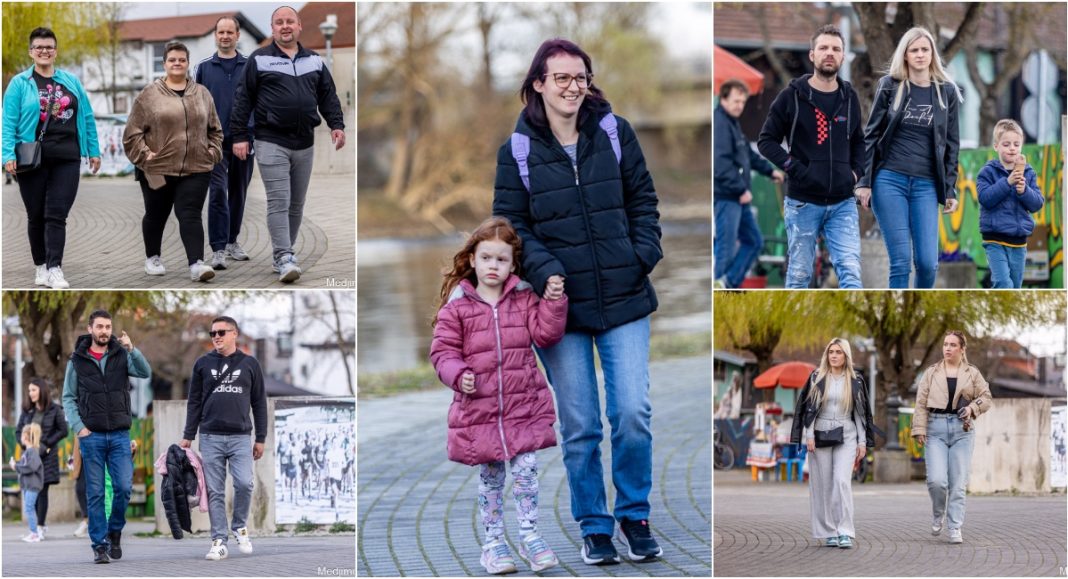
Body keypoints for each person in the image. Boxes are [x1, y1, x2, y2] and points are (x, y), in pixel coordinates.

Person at [494, 38, 665, 566]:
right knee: (582, 424)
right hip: (559, 308)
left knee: (632, 412)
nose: (573, 87)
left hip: (624, 297)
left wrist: (641, 255)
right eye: (561, 78)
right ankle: (594, 525)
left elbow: (644, 202)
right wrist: (547, 273)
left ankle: (634, 515)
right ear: (539, 84)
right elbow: (512, 227)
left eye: (580, 77)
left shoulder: (615, 133)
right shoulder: (516, 151)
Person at [430, 217, 568, 574]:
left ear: (512, 264)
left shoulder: (523, 298)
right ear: (472, 259)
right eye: (487, 258)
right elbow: (442, 353)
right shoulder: (457, 306)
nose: (494, 266)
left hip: (523, 406)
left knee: (526, 473)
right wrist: (459, 375)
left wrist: (553, 302)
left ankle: (530, 536)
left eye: (502, 260)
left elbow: (546, 335)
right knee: (491, 478)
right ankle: (493, 544)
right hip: (481, 411)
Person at [230, 5, 346, 283]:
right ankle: (284, 256)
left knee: (297, 203)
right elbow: (242, 99)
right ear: (272, 29)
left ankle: (284, 254)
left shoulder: (315, 61)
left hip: (305, 142)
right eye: (279, 22)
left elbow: (328, 96)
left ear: (299, 26)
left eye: (289, 22)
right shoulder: (259, 59)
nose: (285, 26)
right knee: (279, 200)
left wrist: (337, 125)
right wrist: (239, 136)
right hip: (271, 140)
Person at [757, 24, 865, 289]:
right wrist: (797, 169)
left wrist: (856, 173)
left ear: (842, 56)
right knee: (799, 276)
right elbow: (766, 141)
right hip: (802, 203)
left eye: (836, 49)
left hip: (843, 203)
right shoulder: (791, 97)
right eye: (824, 48)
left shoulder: (850, 97)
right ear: (812, 55)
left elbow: (860, 141)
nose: (830, 53)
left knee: (851, 272)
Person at [855, 27, 962, 288]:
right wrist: (864, 182)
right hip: (889, 181)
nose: (920, 55)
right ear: (905, 55)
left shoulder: (946, 92)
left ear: (932, 54)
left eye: (925, 49)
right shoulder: (890, 86)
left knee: (927, 263)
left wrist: (949, 189)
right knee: (901, 261)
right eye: (914, 50)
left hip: (926, 184)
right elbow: (871, 135)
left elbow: (951, 145)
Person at [2, 27, 101, 289]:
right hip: (31, 157)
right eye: (39, 47)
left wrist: (93, 149)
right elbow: (7, 122)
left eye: (49, 46)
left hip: (67, 157)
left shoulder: (71, 81)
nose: (44, 51)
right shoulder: (20, 83)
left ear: (55, 51)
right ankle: (41, 266)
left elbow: (87, 117)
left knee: (57, 214)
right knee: (36, 215)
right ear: (31, 52)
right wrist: (6, 154)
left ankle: (55, 267)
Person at [123, 40, 223, 283]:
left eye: (182, 59)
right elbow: (131, 134)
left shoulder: (202, 94)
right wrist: (146, 155)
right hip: (158, 169)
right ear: (165, 64)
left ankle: (197, 264)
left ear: (188, 63)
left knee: (189, 213)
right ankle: (153, 258)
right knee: (156, 214)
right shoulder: (149, 95)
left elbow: (215, 130)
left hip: (196, 167)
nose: (177, 63)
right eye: (172, 60)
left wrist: (212, 152)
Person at [61, 309, 152, 564]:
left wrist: (132, 348)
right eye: (99, 327)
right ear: (90, 329)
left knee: (123, 488)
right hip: (92, 437)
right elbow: (68, 397)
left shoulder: (121, 354)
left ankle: (115, 531)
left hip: (120, 435)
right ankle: (99, 545)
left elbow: (144, 372)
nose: (104, 331)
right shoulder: (77, 360)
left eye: (108, 327)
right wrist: (79, 427)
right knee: (96, 493)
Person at [180, 316, 267, 561]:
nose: (216, 337)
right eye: (212, 333)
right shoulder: (202, 364)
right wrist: (188, 435)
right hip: (210, 436)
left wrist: (260, 438)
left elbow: (259, 403)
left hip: (241, 436)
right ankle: (219, 541)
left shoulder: (250, 364)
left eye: (221, 332)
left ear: (234, 334)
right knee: (215, 491)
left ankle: (239, 525)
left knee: (244, 483)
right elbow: (194, 402)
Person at [790, 338, 875, 548]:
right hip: (820, 434)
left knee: (841, 481)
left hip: (847, 434)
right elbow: (808, 409)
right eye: (831, 352)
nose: (834, 356)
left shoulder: (856, 380)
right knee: (823, 485)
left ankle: (845, 531)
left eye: (838, 352)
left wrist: (862, 442)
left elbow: (860, 413)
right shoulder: (817, 378)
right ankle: (828, 531)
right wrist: (808, 435)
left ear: (846, 356)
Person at [912, 331, 992, 544]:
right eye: (945, 344)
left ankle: (955, 526)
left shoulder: (972, 373)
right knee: (937, 480)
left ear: (962, 349)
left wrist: (973, 408)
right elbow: (920, 403)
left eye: (952, 345)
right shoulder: (931, 372)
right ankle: (938, 514)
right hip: (935, 429)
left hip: (962, 431)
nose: (947, 348)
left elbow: (986, 398)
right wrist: (919, 429)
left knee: (958, 483)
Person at [195, 16, 256, 270]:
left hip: (244, 140)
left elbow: (256, 102)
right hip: (214, 143)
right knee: (218, 192)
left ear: (237, 35)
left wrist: (248, 135)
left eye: (230, 32)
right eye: (221, 32)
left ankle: (232, 242)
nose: (225, 36)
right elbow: (195, 104)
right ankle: (218, 249)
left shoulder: (250, 65)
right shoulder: (204, 67)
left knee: (238, 193)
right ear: (215, 35)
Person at [714, 79, 784, 288]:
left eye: (743, 102)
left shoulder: (733, 124)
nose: (740, 106)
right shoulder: (720, 124)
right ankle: (719, 288)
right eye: (736, 101)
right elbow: (720, 164)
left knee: (754, 242)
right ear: (723, 99)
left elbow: (747, 155)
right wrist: (740, 190)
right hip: (728, 198)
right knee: (725, 250)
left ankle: (728, 283)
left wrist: (770, 170)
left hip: (739, 198)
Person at [977, 119, 1044, 288]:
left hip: (1019, 242)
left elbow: (1037, 204)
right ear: (996, 146)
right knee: (1003, 283)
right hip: (994, 240)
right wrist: (1007, 182)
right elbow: (985, 198)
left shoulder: (1028, 173)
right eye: (1006, 144)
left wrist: (1024, 191)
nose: (1012, 148)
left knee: (1015, 286)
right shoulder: (987, 172)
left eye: (1016, 144)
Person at [15, 377, 69, 539]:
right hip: (31, 456)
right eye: (29, 390)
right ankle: (37, 526)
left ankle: (39, 526)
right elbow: (19, 431)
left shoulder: (54, 409)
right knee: (33, 490)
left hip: (47, 456)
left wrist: (46, 444)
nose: (30, 393)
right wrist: (27, 446)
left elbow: (63, 430)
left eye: (33, 390)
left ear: (41, 391)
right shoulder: (27, 410)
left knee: (43, 489)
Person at [11, 423, 45, 542]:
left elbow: (31, 467)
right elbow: (25, 465)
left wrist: (16, 467)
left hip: (32, 485)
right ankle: (33, 532)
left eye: (21, 435)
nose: (20, 437)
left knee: (29, 508)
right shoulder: (28, 452)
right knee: (29, 508)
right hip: (28, 485)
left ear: (25, 436)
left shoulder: (33, 451)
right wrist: (16, 465)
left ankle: (34, 533)